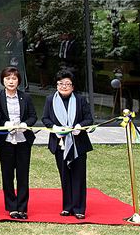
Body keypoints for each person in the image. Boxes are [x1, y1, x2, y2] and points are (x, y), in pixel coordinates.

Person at [41, 70, 93, 219]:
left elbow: (89, 119)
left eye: (67, 84)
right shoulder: (50, 99)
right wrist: (54, 128)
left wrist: (79, 126)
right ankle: (67, 207)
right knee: (64, 175)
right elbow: (45, 119)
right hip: (60, 143)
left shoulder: (80, 100)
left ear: (73, 86)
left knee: (78, 176)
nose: (64, 86)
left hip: (78, 143)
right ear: (57, 85)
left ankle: (79, 208)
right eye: (61, 83)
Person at [0, 66, 37, 220]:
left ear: (19, 81)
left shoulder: (26, 97)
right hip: (6, 140)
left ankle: (22, 208)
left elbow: (33, 116)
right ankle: (12, 207)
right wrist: (5, 124)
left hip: (23, 140)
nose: (11, 81)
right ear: (2, 80)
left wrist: (25, 124)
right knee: (7, 174)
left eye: (14, 78)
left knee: (23, 175)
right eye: (8, 78)